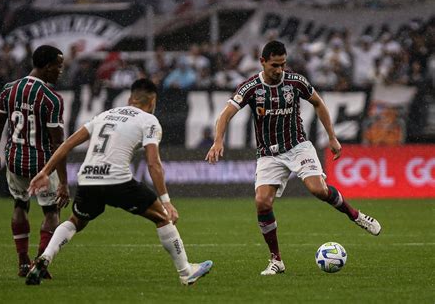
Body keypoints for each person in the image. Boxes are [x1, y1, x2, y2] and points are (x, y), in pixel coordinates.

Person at [205, 40, 381, 275]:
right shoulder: (250, 88)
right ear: (263, 62)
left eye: (283, 64)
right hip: (269, 153)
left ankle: (356, 215)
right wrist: (218, 140)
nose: (279, 70)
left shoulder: (295, 82)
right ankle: (276, 260)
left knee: (318, 190)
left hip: (298, 146)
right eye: (275, 65)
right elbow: (226, 114)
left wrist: (332, 137)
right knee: (262, 203)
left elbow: (318, 103)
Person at [25, 79, 213, 286]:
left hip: (88, 179)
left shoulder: (105, 115)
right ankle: (186, 271)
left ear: (130, 98)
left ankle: (44, 259)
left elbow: (67, 144)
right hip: (117, 181)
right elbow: (153, 163)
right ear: (153, 101)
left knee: (76, 221)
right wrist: (166, 201)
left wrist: (45, 171)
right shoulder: (148, 120)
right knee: (162, 217)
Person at [0, 45, 70, 277]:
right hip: (42, 165)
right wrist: (63, 181)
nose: (60, 71)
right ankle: (40, 263)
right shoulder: (52, 99)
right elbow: (58, 144)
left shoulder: (9, 89)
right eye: (58, 66)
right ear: (46, 67)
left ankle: (23, 261)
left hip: (14, 160)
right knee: (51, 211)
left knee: (20, 204)